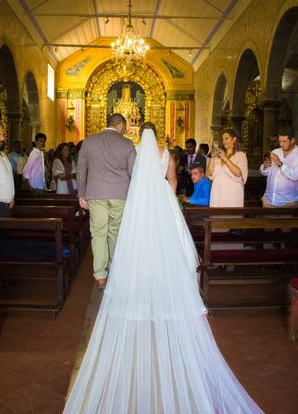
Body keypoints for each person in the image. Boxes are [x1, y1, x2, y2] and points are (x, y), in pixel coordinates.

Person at [63, 124, 261, 414]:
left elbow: (132, 181)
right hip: (163, 206)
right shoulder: (165, 153)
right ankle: (167, 280)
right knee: (169, 246)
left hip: (139, 206)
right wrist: (165, 201)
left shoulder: (135, 151)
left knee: (134, 244)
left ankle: (130, 278)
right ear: (157, 134)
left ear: (139, 134)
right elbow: (171, 183)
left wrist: (142, 200)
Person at [76, 113, 136, 288]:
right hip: (120, 194)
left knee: (98, 233)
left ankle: (100, 275)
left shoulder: (89, 141)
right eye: (124, 128)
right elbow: (133, 171)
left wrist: (82, 194)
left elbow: (81, 170)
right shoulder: (127, 143)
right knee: (115, 232)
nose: (124, 131)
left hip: (96, 194)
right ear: (119, 126)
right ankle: (115, 269)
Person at [260, 126, 298, 207]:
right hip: (268, 200)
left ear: (292, 140)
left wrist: (280, 164)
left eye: (284, 141)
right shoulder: (275, 152)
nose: (281, 144)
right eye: (280, 141)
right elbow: (265, 173)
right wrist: (265, 167)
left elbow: (295, 176)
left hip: (288, 203)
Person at [207, 128, 248, 208]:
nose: (224, 141)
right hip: (217, 191)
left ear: (234, 139)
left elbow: (239, 173)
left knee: (230, 218)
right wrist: (212, 158)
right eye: (222, 139)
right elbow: (209, 173)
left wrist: (225, 158)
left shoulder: (240, 155)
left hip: (232, 193)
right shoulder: (218, 157)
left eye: (226, 138)